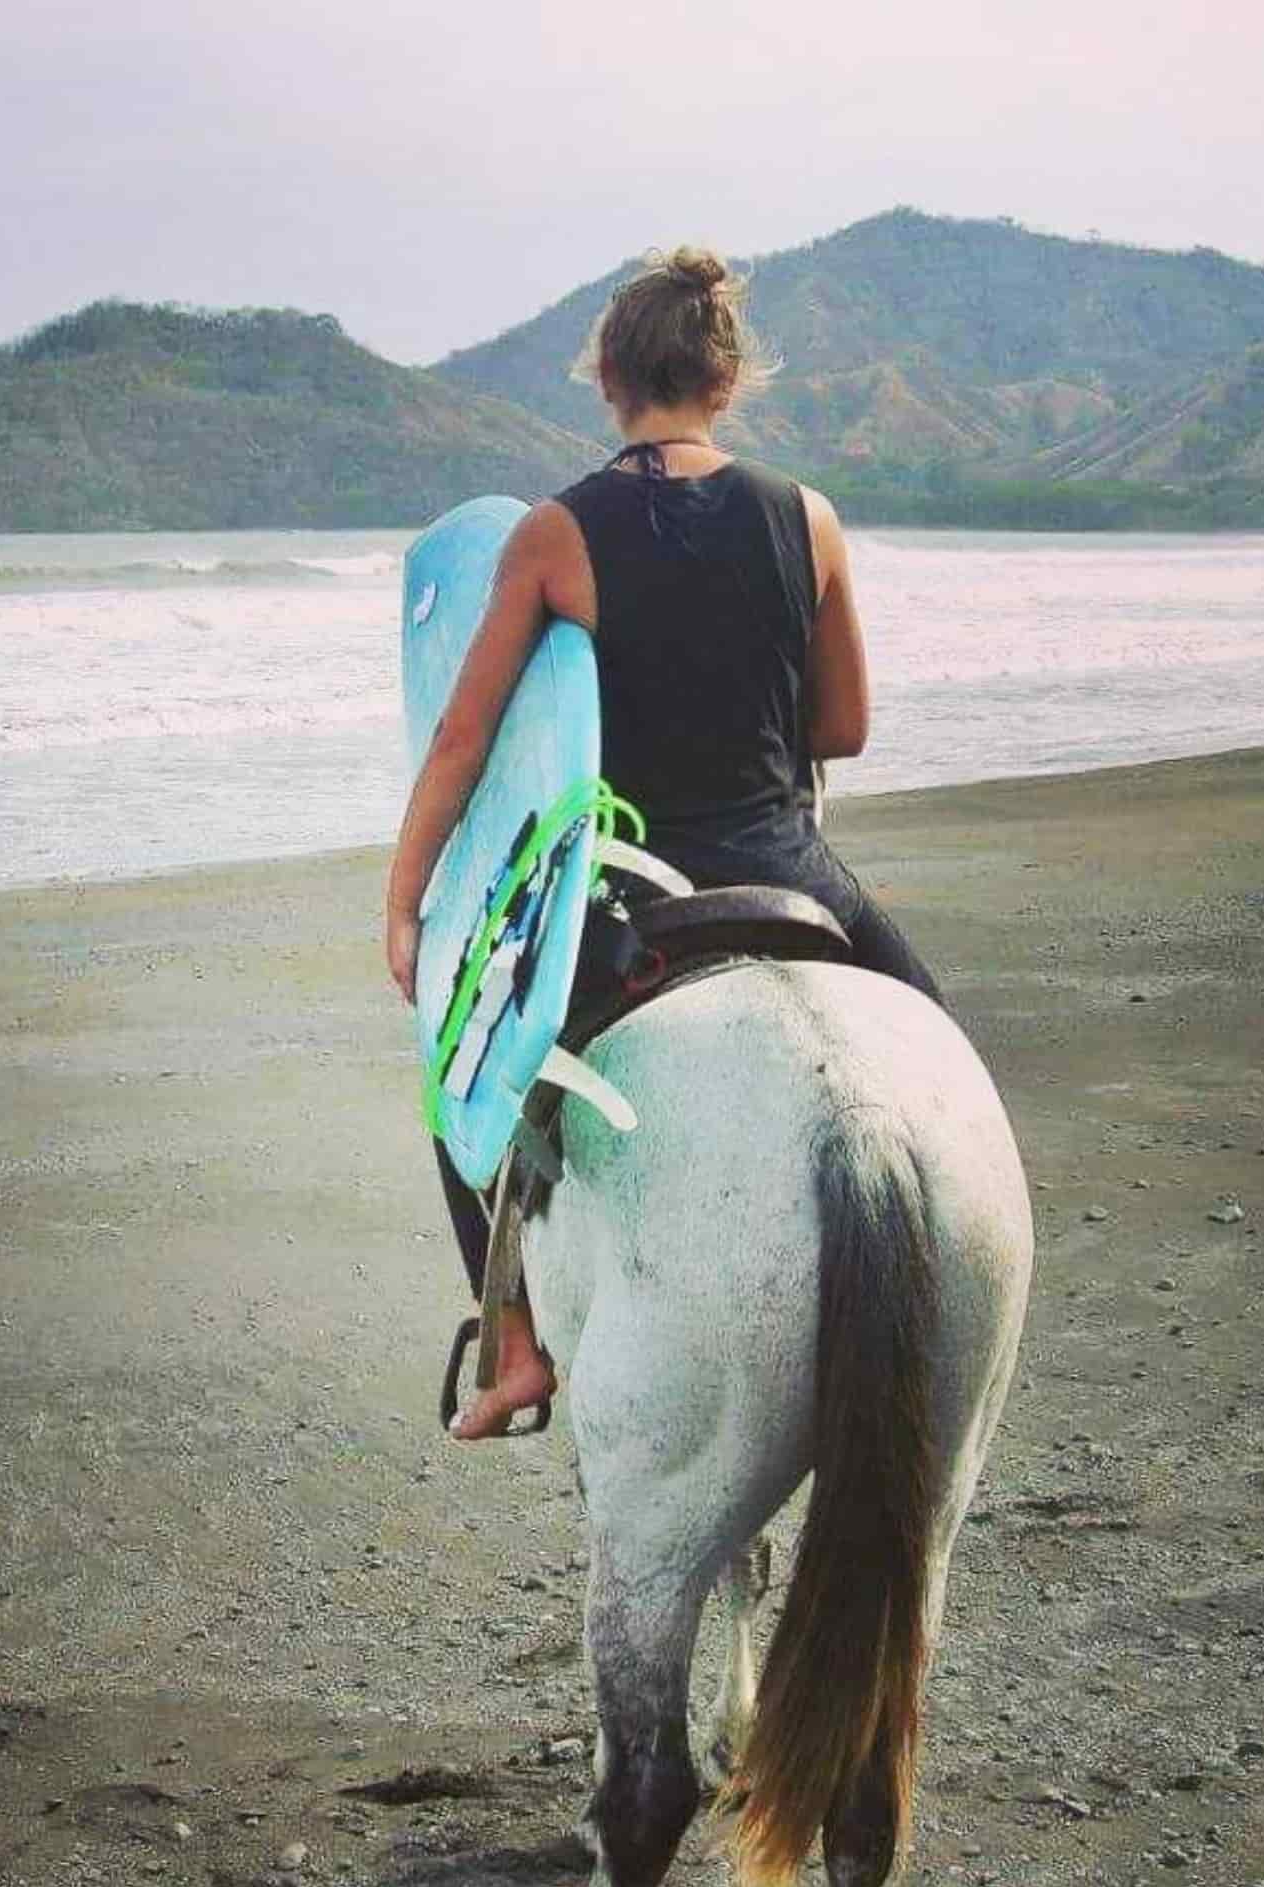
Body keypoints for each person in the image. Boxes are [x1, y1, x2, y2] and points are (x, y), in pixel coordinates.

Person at [386, 245, 943, 1439]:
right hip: (794, 872)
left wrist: (406, 905)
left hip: (628, 895)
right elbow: (843, 725)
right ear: (726, 380)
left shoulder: (553, 536)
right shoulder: (811, 517)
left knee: (461, 1078)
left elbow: (464, 743)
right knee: (938, 1054)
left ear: (608, 382)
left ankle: (518, 1351)